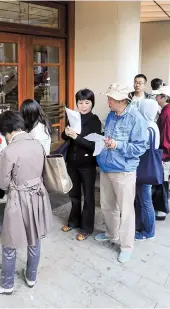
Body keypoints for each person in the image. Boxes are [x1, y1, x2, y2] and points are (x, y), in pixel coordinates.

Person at [0, 111, 52, 294]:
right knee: (35, 237)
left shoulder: (9, 151)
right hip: (38, 195)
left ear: (6, 131)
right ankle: (31, 276)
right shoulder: (37, 143)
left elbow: (2, 183)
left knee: (10, 241)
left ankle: (7, 284)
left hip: (18, 198)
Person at [96, 83, 148, 263]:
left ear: (122, 100)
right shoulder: (111, 115)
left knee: (125, 210)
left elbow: (140, 147)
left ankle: (126, 246)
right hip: (106, 167)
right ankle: (111, 234)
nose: (108, 101)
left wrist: (117, 145)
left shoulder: (136, 118)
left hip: (124, 171)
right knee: (107, 205)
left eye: (111, 98)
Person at [60, 89, 102, 241]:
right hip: (72, 162)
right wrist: (66, 132)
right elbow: (64, 136)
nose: (83, 106)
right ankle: (73, 221)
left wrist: (76, 137)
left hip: (87, 164)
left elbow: (93, 146)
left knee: (88, 197)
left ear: (92, 103)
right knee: (74, 195)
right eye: (80, 102)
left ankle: (86, 228)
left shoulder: (95, 121)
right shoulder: (73, 117)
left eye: (87, 102)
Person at [135, 99, 160, 241]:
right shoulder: (153, 125)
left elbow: (141, 148)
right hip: (146, 167)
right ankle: (141, 227)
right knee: (142, 199)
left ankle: (149, 232)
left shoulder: (148, 127)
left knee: (145, 201)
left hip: (144, 167)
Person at [154, 86, 170, 220]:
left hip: (165, 154)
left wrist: (161, 155)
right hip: (166, 153)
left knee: (162, 182)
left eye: (158, 95)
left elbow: (167, 137)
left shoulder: (168, 113)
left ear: (164, 97)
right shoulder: (167, 110)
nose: (156, 97)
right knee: (161, 181)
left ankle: (161, 210)